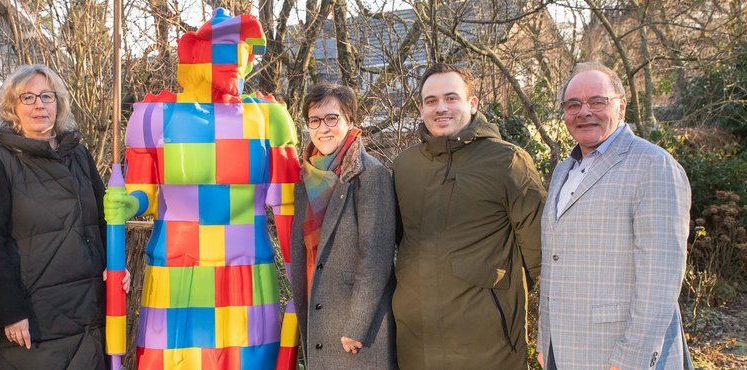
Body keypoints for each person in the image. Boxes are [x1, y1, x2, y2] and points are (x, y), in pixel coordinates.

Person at [103, 8, 301, 370]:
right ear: (195, 54)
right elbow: (143, 194)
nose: (235, 59)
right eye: (223, 48)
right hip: (178, 271)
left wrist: (300, 277)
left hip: (247, 270)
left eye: (241, 50)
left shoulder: (270, 119)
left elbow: (287, 206)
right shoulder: (153, 117)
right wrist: (126, 204)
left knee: (250, 362)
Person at [537, 62, 693, 370]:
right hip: (562, 349)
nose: (584, 112)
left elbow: (660, 278)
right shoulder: (563, 170)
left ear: (621, 106)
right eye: (573, 104)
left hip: (616, 355)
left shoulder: (652, 166)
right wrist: (545, 343)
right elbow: (554, 261)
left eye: (597, 101)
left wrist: (632, 358)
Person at [391, 63, 546, 369]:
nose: (440, 108)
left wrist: (489, 292)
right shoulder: (405, 166)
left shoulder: (508, 162)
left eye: (451, 98)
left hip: (488, 346)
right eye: (431, 101)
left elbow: (540, 255)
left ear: (472, 104)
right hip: (415, 345)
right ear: (421, 108)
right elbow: (396, 242)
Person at [0, 64, 113, 369]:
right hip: (35, 321)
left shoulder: (80, 156)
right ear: (12, 107)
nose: (39, 105)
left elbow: (104, 221)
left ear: (59, 103)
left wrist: (116, 266)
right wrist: (9, 311)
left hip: (90, 312)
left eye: (47, 96)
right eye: (28, 98)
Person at [289, 83, 396, 368]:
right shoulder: (305, 179)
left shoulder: (370, 175)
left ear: (349, 121)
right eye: (314, 120)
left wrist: (357, 325)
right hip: (316, 307)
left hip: (356, 325)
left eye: (332, 118)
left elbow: (376, 257)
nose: (323, 127)